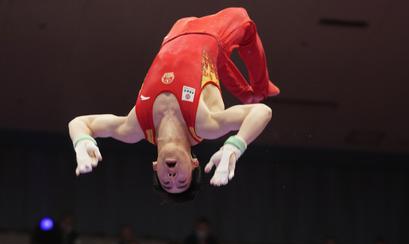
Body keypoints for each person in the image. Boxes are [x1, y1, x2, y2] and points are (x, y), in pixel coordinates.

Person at [68, 7, 279, 201]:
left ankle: (249, 91)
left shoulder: (135, 128)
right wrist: (235, 146)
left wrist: (82, 141)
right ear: (194, 164)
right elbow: (262, 112)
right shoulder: (205, 125)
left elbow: (79, 123)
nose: (172, 176)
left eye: (167, 181)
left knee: (225, 68)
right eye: (181, 181)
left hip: (176, 32)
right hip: (215, 34)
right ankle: (259, 90)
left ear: (155, 167)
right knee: (255, 85)